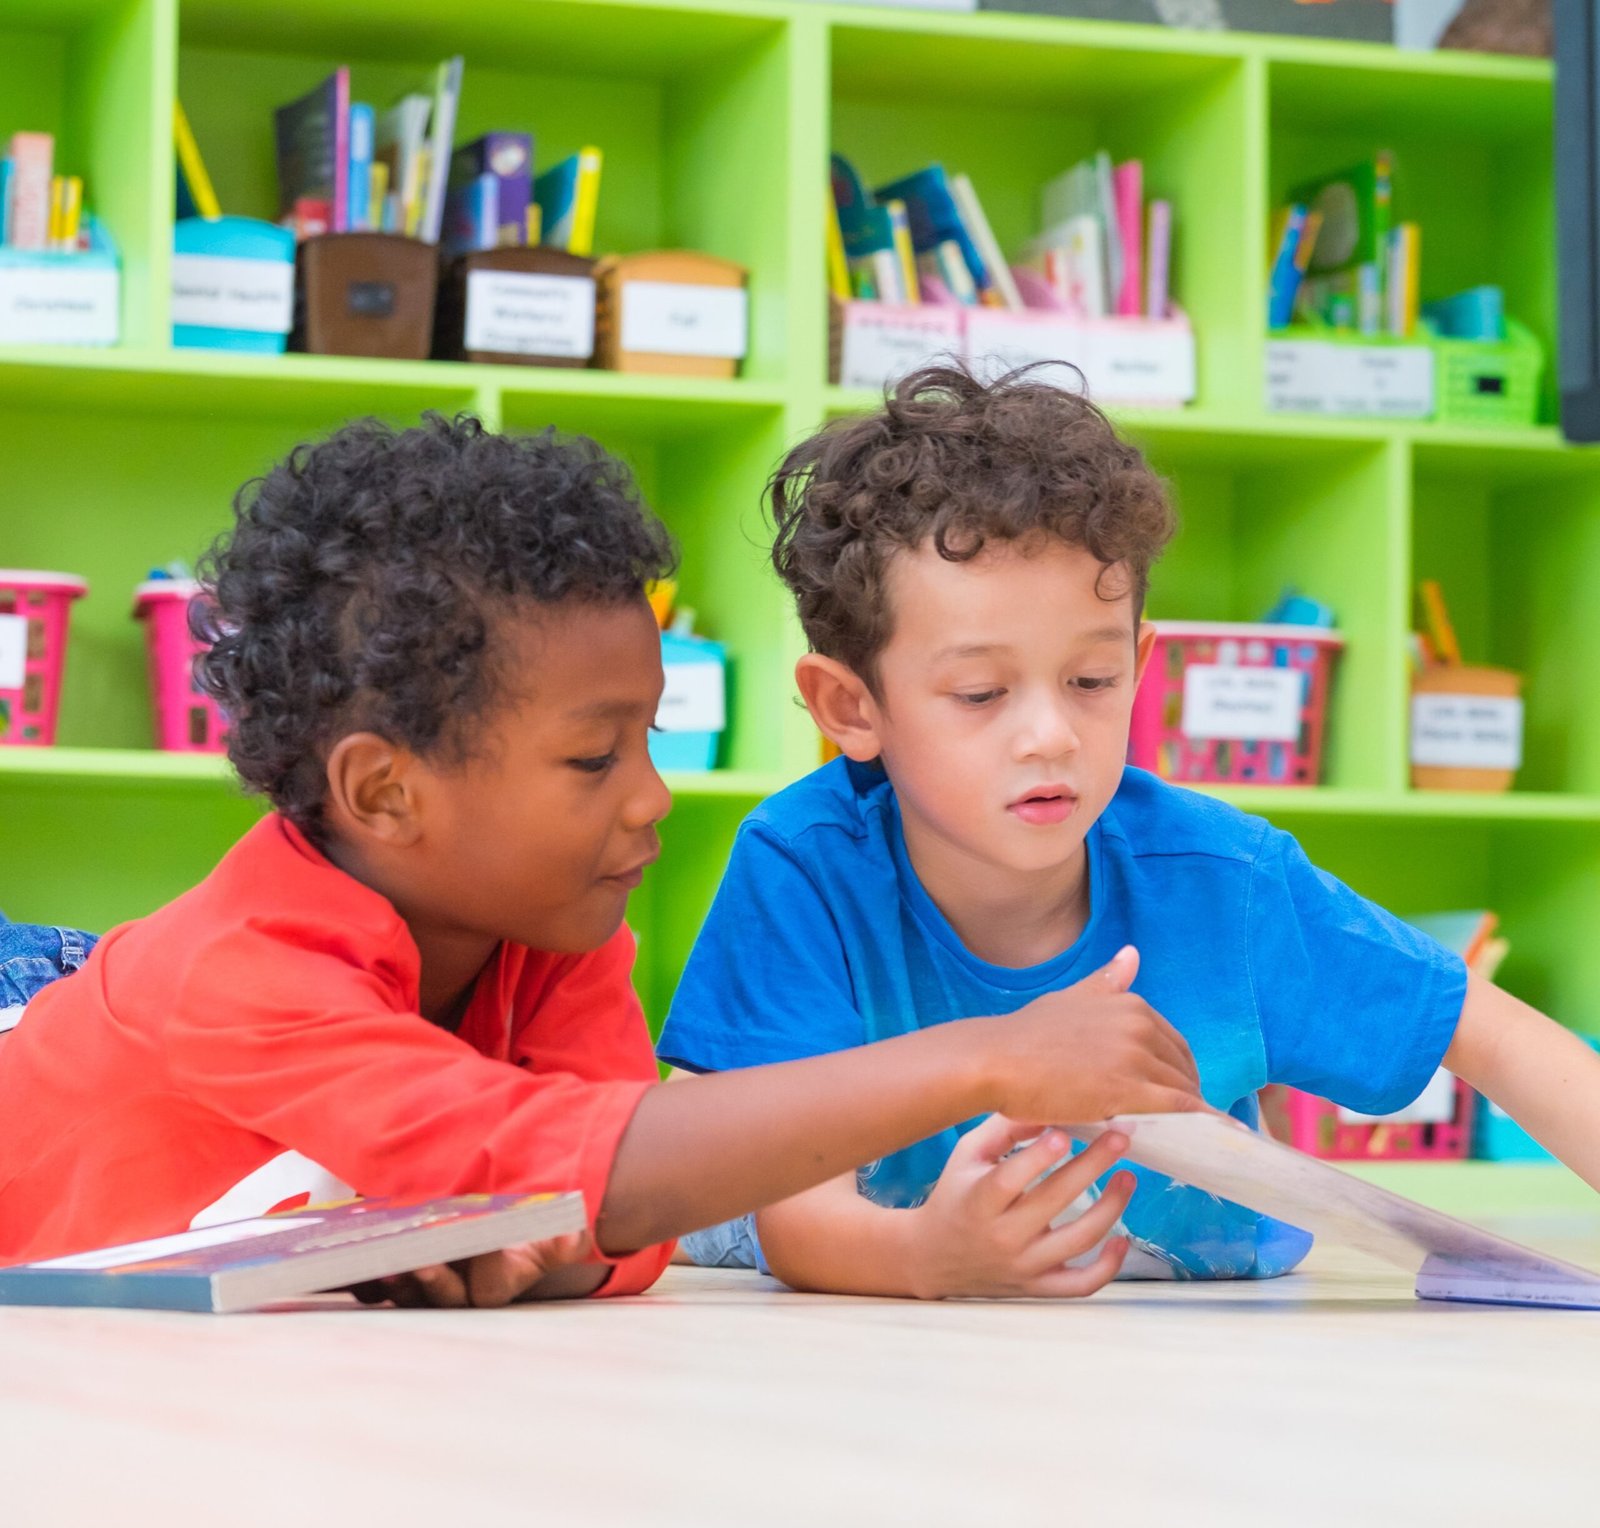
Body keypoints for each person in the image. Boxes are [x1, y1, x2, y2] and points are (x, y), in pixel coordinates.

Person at [0, 412, 1203, 1305]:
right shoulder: (239, 976)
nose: (652, 799)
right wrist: (985, 1054)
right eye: (593, 761)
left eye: (650, 738)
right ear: (384, 789)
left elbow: (620, 1220)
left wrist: (539, 1246)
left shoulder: (557, 930)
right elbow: (621, 1165)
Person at [659, 362, 1600, 1299]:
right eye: (981, 693)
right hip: (868, 1321)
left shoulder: (1225, 878)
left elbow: (1492, 1033)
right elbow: (791, 1211)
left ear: (1140, 665)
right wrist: (926, 1261)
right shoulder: (806, 864)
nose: (1050, 735)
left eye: (1092, 682)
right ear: (850, 707)